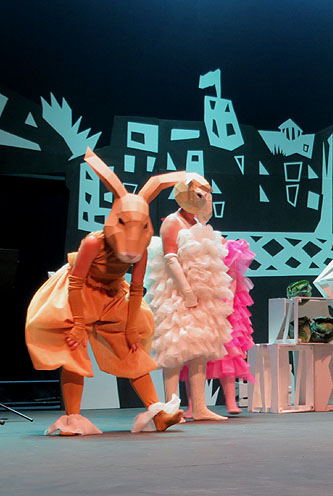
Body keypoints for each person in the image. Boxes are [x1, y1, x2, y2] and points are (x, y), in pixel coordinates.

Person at [25, 149, 185, 435]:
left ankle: (157, 411)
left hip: (113, 296)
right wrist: (77, 323)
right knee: (73, 350)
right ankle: (72, 418)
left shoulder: (140, 249)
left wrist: (131, 327)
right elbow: (76, 283)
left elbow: (136, 288)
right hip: (78, 294)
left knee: (131, 349)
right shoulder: (93, 243)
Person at [145, 174, 233, 421]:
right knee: (174, 349)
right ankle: (172, 407)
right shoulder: (172, 222)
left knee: (199, 351)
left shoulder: (195, 223)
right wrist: (186, 290)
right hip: (178, 293)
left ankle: (200, 406)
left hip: (202, 294)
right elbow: (170, 258)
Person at [179, 237, 256, 415]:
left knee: (227, 353)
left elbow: (232, 278)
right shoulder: (191, 246)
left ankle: (230, 401)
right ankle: (192, 404)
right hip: (198, 305)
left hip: (222, 306)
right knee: (192, 355)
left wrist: (227, 304)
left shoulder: (224, 248)